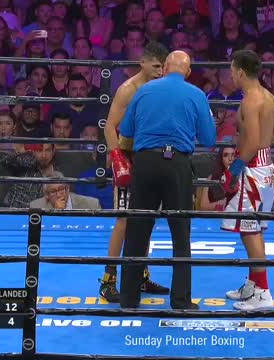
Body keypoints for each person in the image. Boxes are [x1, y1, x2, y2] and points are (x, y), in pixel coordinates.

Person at [117, 50, 216, 309]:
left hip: (146, 162)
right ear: (188, 72)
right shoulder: (196, 94)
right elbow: (208, 138)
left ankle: (128, 299)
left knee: (138, 230)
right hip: (178, 165)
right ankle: (181, 300)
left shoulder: (144, 90)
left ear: (165, 68)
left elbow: (125, 129)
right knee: (180, 234)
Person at [100, 41, 171, 302]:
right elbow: (110, 126)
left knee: (147, 219)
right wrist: (117, 157)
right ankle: (108, 280)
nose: (159, 71)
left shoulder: (160, 89)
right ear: (142, 63)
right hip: (128, 158)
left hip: (149, 158)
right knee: (124, 220)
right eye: (155, 66)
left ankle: (140, 274)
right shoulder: (127, 89)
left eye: (163, 67)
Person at [221, 49, 274, 311]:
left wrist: (232, 170)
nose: (230, 75)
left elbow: (253, 142)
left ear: (241, 72)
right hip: (266, 167)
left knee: (250, 230)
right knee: (253, 230)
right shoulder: (268, 96)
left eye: (232, 70)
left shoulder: (250, 101)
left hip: (252, 169)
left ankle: (263, 292)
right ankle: (253, 283)